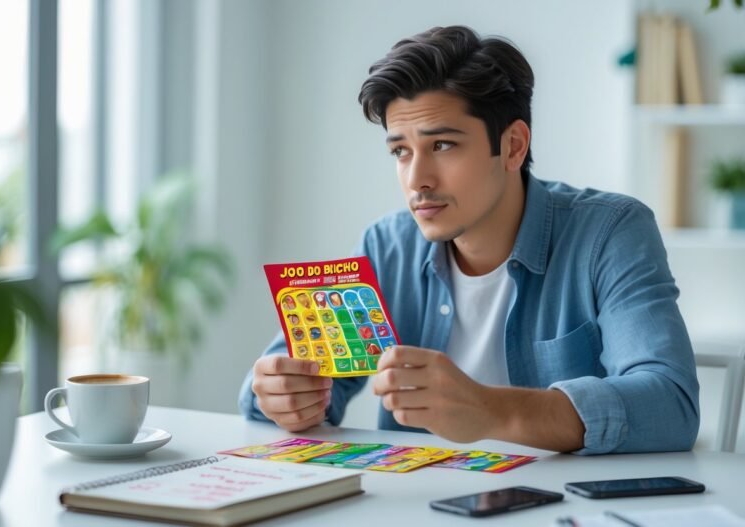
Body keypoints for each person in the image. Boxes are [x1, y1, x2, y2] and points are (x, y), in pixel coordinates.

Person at [238, 25, 699, 454]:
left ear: (514, 146)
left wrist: (491, 410)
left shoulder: (610, 232)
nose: (417, 179)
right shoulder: (386, 245)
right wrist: (280, 397)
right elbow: (294, 389)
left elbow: (671, 404)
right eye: (401, 151)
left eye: (442, 146)